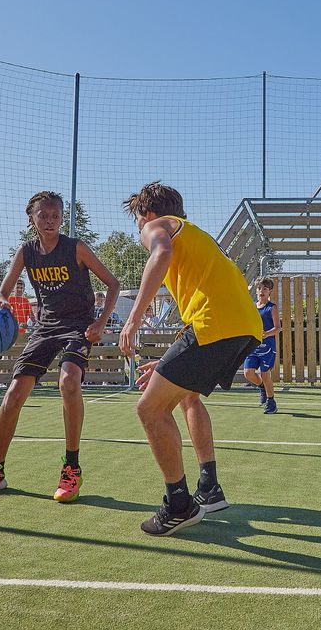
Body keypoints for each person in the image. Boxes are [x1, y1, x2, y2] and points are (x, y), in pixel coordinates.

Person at [118, 182, 263, 536]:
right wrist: (168, 362)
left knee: (149, 410)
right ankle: (209, 488)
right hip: (242, 324)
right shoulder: (196, 235)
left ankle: (179, 504)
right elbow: (205, 299)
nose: (140, 229)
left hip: (217, 323)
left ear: (147, 214)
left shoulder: (157, 226)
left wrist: (134, 318)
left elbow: (160, 253)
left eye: (138, 220)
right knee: (187, 396)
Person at [0, 191, 120, 503]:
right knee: (14, 393)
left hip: (78, 325)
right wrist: (0, 299)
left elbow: (113, 283)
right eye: (43, 215)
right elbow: (5, 289)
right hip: (46, 327)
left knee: (68, 381)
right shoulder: (26, 252)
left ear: (62, 218)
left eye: (55, 216)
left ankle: (71, 468)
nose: (50, 221)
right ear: (32, 219)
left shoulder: (75, 248)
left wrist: (100, 323)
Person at [242, 277, 280, 415]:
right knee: (248, 373)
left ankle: (271, 402)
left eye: (265, 288)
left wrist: (266, 334)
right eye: (259, 288)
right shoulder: (252, 307)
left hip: (267, 348)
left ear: (270, 291)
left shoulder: (272, 308)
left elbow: (277, 328)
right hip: (253, 346)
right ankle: (262, 387)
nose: (261, 291)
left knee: (265, 374)